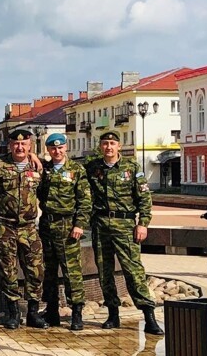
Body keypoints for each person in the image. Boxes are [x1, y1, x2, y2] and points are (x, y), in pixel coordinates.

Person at [85, 131, 164, 335]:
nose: (108, 147)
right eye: (105, 144)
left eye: (112, 143)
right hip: (101, 225)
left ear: (119, 146)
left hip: (125, 225)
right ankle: (113, 314)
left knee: (133, 271)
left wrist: (143, 223)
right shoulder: (92, 168)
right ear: (100, 146)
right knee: (105, 271)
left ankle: (149, 316)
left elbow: (144, 198)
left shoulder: (132, 168)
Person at [0, 129, 47, 330]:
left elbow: (46, 195)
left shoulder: (38, 167)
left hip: (29, 227)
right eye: (16, 144)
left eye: (24, 144)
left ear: (30, 146)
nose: (20, 147)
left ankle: (33, 312)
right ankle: (13, 313)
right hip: (5, 226)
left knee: (36, 270)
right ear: (10, 145)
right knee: (8, 270)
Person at [37, 133, 91, 331]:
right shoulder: (45, 170)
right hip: (47, 225)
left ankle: (77, 311)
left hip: (68, 226)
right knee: (48, 270)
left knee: (71, 271)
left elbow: (84, 201)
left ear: (66, 148)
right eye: (53, 148)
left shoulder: (76, 169)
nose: (57, 151)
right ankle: (51, 310)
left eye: (60, 148)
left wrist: (79, 224)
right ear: (48, 150)